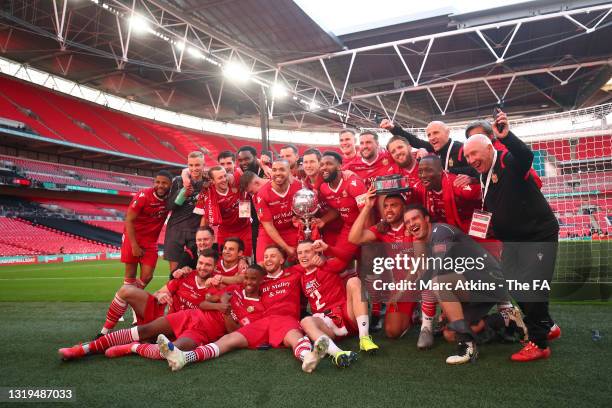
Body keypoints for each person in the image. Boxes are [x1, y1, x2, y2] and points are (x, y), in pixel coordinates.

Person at [463, 109, 561, 361]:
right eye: (467, 156)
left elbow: (526, 155)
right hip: (513, 240)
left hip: (537, 235)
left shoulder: (509, 160)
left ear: (489, 148)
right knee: (516, 286)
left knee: (532, 287)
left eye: (474, 153)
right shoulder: (483, 172)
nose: (471, 159)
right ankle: (547, 325)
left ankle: (539, 343)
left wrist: (507, 137)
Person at [157, 245, 312, 372]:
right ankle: (186, 357)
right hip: (263, 321)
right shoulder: (261, 279)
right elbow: (242, 280)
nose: (268, 259)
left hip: (284, 319)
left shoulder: (294, 273)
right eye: (266, 257)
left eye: (273, 256)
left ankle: (307, 356)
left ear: (282, 259)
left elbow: (313, 266)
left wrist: (319, 257)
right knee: (229, 340)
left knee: (293, 335)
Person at [63, 250, 227, 358]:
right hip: (167, 319)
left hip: (189, 329)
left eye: (208, 265)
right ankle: (88, 346)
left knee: (171, 350)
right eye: (201, 263)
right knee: (127, 290)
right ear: (196, 263)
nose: (203, 267)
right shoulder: (184, 276)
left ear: (215, 267)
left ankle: (133, 347)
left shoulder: (217, 286)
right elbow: (158, 294)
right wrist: (162, 295)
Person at [403, 204, 513, 365]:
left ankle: (467, 347)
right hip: (474, 285)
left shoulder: (439, 232)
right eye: (407, 222)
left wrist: (413, 286)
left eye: (415, 218)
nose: (411, 224)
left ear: (426, 219)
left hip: (490, 281)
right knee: (449, 334)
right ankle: (505, 317)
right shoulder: (426, 242)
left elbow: (438, 269)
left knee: (438, 284)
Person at [296, 240, 379, 373]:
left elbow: (346, 256)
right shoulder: (299, 276)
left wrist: (327, 249)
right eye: (299, 253)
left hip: (347, 314)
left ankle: (364, 337)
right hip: (326, 323)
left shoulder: (328, 264)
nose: (303, 256)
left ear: (316, 252)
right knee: (306, 321)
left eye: (307, 251)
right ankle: (338, 354)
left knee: (354, 281)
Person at [348, 190, 418, 339]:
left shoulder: (413, 226)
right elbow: (354, 238)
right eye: (386, 206)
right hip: (402, 285)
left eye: (394, 206)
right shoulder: (384, 229)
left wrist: (399, 293)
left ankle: (432, 318)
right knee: (392, 332)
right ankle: (413, 313)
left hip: (421, 279)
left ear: (404, 209)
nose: (389, 209)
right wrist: (367, 207)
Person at [120, 171, 172, 289]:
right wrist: (134, 245)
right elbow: (129, 220)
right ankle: (123, 303)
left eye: (164, 183)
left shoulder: (170, 199)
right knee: (130, 276)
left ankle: (133, 298)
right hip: (133, 237)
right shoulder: (143, 195)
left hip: (150, 241)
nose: (160, 185)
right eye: (157, 182)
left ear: (170, 185)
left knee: (147, 276)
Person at [380, 119, 477, 178]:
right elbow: (413, 140)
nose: (432, 137)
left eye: (436, 133)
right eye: (429, 135)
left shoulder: (462, 149)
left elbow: (477, 170)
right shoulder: (434, 148)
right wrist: (392, 128)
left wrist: (450, 172)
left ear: (447, 132)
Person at [465, 119, 542, 189]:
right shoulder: (480, 155)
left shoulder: (503, 152)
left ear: (491, 136)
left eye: (479, 136)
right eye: (471, 138)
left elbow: (525, 156)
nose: (474, 140)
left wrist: (507, 136)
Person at [317, 151, 367, 258]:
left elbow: (367, 212)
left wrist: (369, 238)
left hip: (362, 226)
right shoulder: (324, 188)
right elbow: (337, 209)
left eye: (329, 164)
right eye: (321, 165)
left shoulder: (353, 183)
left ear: (339, 166)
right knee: (336, 259)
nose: (324, 167)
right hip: (348, 226)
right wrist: (323, 220)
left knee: (364, 259)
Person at [164, 151, 206, 272]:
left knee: (193, 270)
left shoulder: (208, 183)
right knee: (174, 272)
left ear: (203, 165)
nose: (194, 168)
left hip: (195, 231)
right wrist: (182, 193)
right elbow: (170, 206)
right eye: (191, 165)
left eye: (197, 165)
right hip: (175, 229)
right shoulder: (178, 181)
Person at [253, 159, 302, 261]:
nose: (277, 173)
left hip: (290, 230)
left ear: (289, 171)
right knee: (262, 265)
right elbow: (268, 225)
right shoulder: (262, 193)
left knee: (302, 258)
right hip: (269, 232)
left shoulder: (299, 186)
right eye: (274, 170)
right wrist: (286, 247)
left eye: (281, 169)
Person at [197, 165, 252, 256]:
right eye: (220, 178)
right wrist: (201, 237)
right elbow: (205, 218)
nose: (224, 179)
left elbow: (240, 169)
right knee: (224, 261)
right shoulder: (209, 194)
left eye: (224, 176)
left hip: (245, 229)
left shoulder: (236, 182)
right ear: (212, 181)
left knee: (245, 260)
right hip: (225, 231)